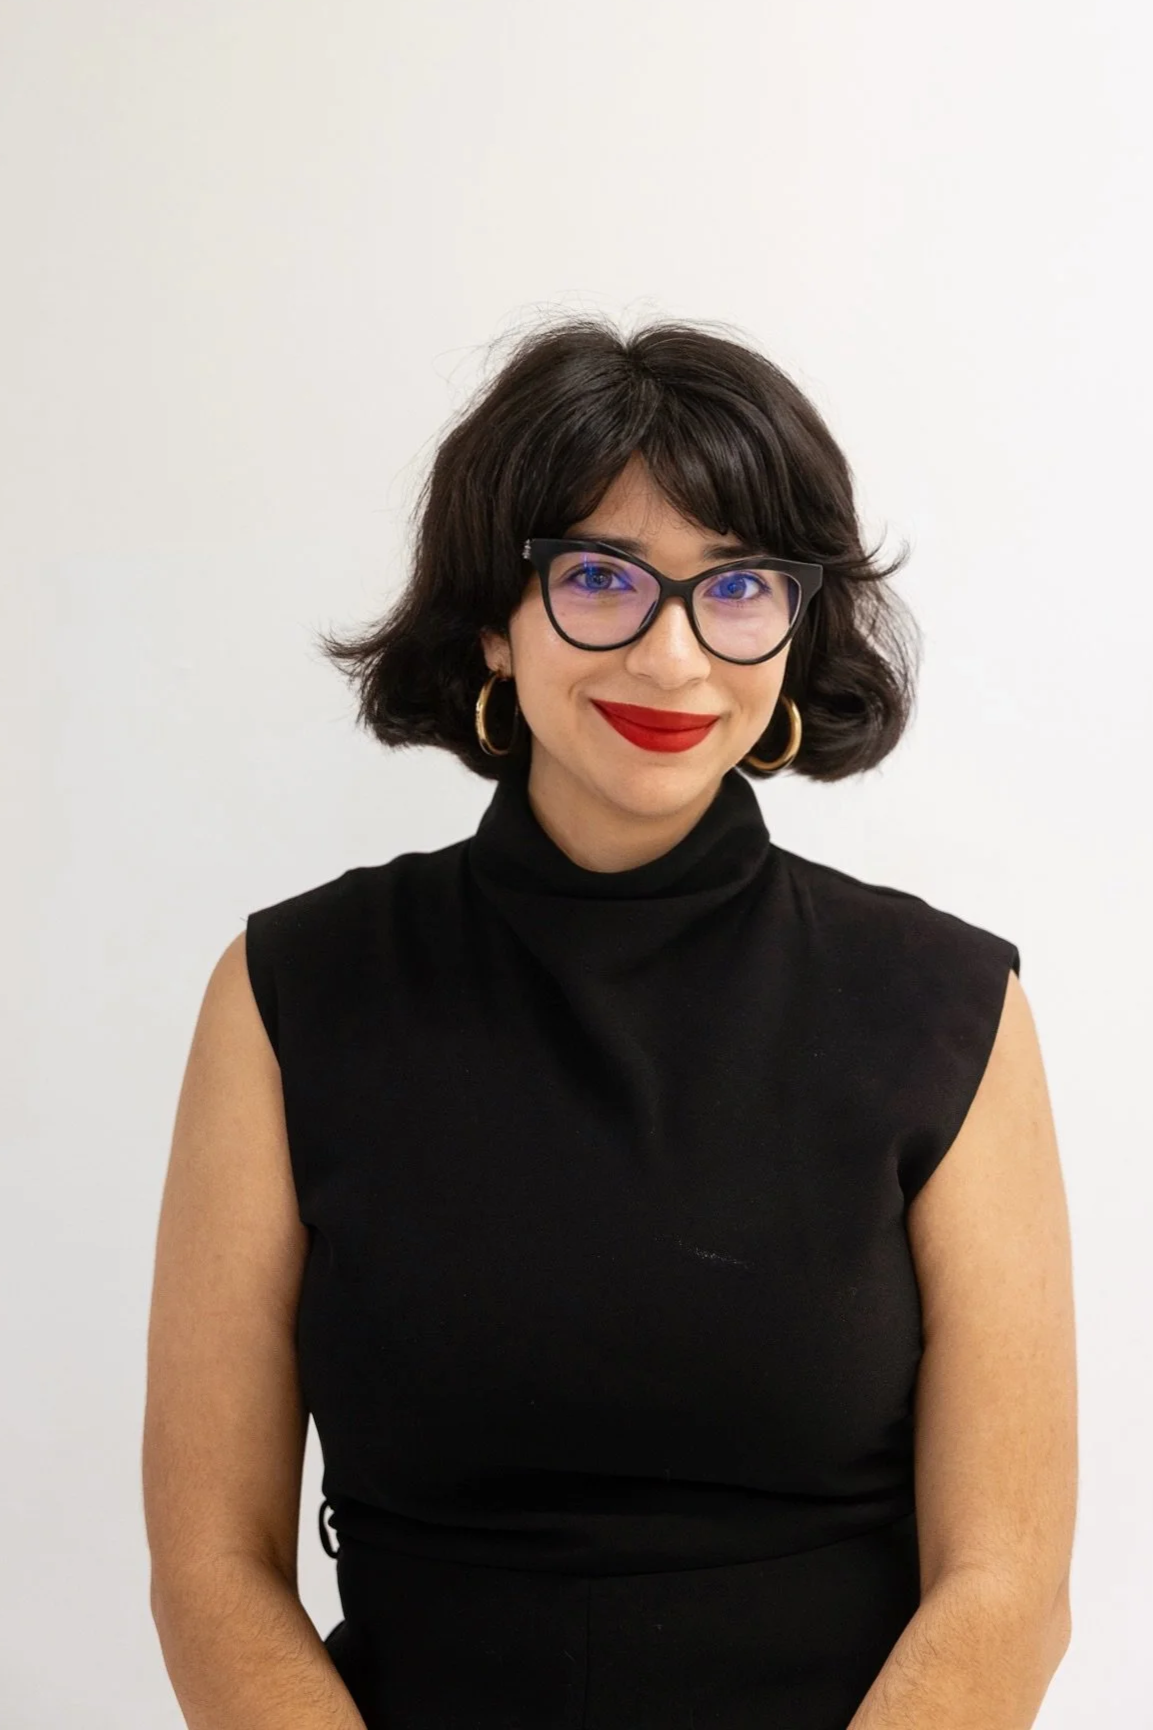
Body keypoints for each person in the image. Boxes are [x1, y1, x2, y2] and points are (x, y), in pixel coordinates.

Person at [143, 317, 1077, 1730]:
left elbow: (1007, 1582)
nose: (674, 654)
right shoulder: (290, 996)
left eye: (740, 587)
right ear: (489, 624)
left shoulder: (949, 1010)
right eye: (599, 577)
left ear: (797, 620)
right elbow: (212, 1566)